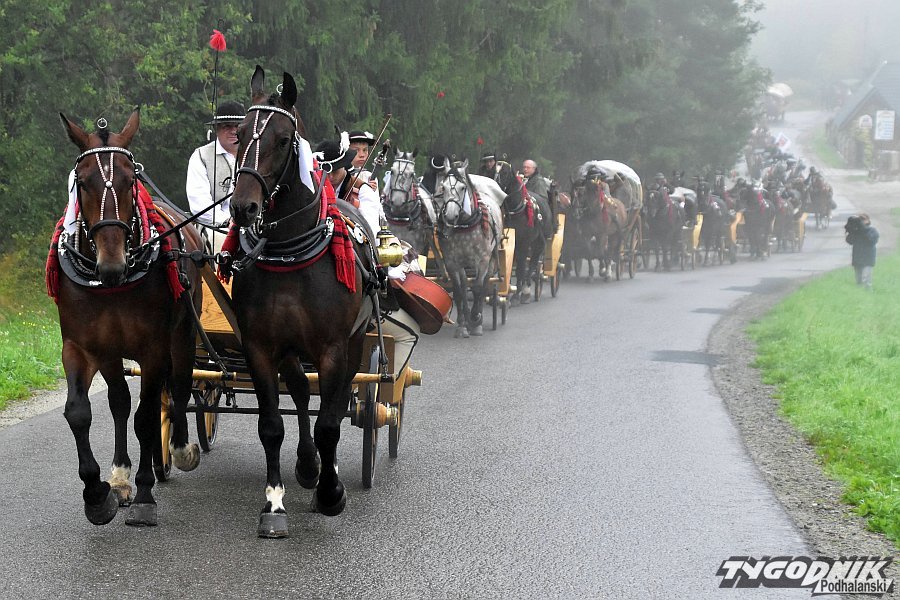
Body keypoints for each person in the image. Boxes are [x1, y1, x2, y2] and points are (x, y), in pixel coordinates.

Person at [315, 137, 421, 376]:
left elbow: (368, 236)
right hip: (344, 284)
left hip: (348, 266)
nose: (328, 178)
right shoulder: (313, 191)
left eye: (333, 172)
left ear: (344, 167)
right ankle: (384, 388)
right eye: (325, 172)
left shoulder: (364, 192)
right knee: (409, 332)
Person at [186, 99, 245, 252]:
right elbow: (199, 204)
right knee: (218, 238)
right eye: (227, 126)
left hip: (252, 225)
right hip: (214, 228)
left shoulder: (256, 155)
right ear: (216, 129)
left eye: (237, 126)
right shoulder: (201, 156)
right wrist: (227, 222)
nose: (233, 131)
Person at [520, 159, 555, 240]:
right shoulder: (526, 180)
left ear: (534, 169)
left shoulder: (538, 181)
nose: (525, 169)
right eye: (524, 167)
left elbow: (542, 201)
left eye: (528, 167)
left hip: (537, 217)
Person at [845, 214, 879, 290]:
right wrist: (851, 230)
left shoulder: (872, 230)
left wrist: (863, 229)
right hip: (857, 258)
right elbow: (849, 241)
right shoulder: (857, 231)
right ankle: (859, 295)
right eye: (860, 220)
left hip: (868, 259)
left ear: (868, 220)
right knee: (858, 281)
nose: (862, 221)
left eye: (863, 219)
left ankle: (868, 294)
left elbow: (871, 240)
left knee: (866, 280)